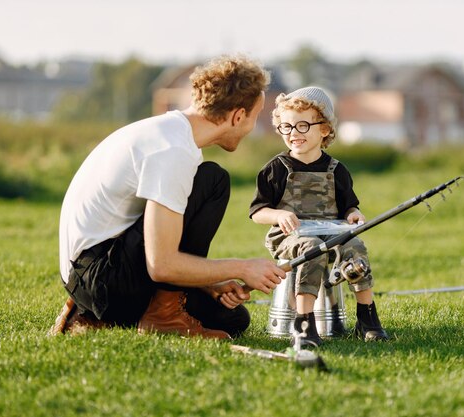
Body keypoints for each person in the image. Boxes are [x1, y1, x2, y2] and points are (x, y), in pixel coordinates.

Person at [50, 55, 286, 339]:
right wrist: (243, 267)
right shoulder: (172, 151)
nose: (253, 126)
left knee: (231, 318)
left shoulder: (171, 133)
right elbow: (161, 265)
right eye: (255, 116)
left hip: (94, 274)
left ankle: (91, 316)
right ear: (238, 116)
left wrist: (211, 283)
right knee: (213, 181)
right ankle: (162, 315)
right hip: (101, 280)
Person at [249, 86, 388, 347]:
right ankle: (304, 322)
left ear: (324, 128)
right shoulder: (275, 169)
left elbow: (349, 207)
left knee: (355, 246)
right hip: (291, 237)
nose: (293, 134)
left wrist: (354, 215)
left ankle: (367, 318)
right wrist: (278, 215)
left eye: (303, 126)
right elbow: (257, 212)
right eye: (286, 127)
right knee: (312, 250)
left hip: (330, 232)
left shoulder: (337, 170)